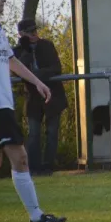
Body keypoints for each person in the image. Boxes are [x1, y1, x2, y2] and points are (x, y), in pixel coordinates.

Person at [0, 0, 66, 222]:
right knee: (21, 157)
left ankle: (36, 216)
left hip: (2, 103)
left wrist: (37, 82)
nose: (3, 0)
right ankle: (36, 216)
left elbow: (12, 62)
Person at [13, 19, 68, 176]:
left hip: (53, 96)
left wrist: (35, 77)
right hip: (33, 99)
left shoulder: (47, 45)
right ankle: (34, 167)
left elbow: (56, 68)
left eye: (35, 30)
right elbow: (16, 71)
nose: (35, 34)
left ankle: (48, 166)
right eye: (30, 32)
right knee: (33, 134)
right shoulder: (18, 52)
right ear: (22, 34)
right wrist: (26, 52)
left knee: (52, 132)